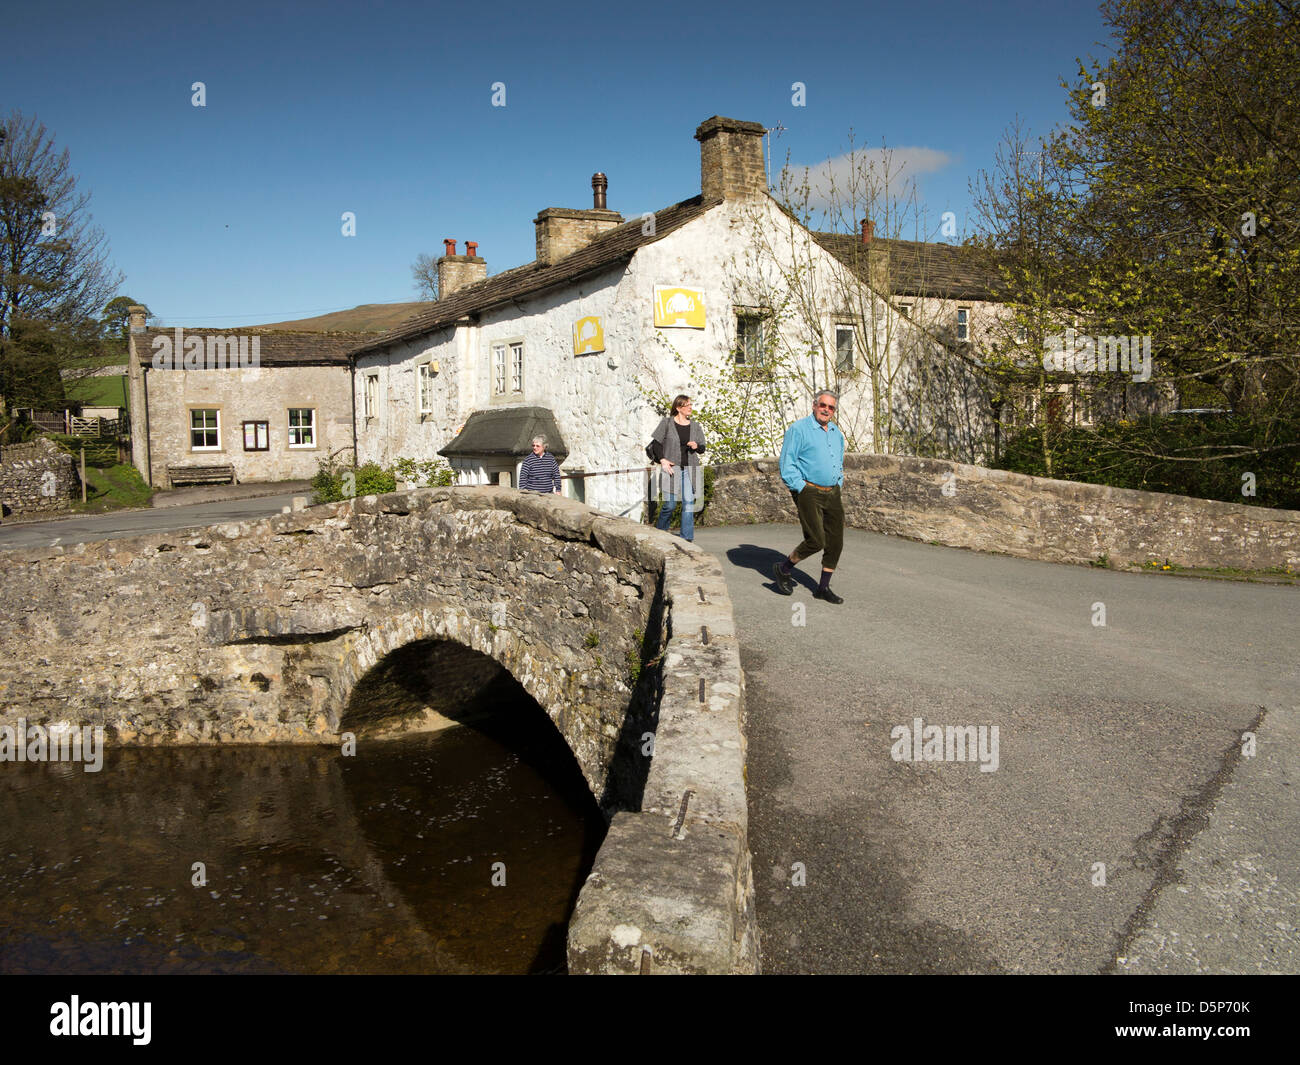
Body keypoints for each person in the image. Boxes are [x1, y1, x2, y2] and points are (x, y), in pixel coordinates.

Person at [772, 390, 846, 603]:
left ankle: (822, 588)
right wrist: (800, 487)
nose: (826, 410)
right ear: (814, 405)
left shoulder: (835, 432)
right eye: (823, 405)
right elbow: (787, 462)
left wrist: (838, 482)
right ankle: (784, 568)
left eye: (831, 407)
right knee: (816, 540)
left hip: (832, 491)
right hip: (809, 491)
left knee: (835, 541)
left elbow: (838, 462)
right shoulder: (799, 429)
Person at [649, 394, 706, 541]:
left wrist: (696, 446)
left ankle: (686, 539)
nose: (690, 408)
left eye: (691, 405)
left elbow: (702, 448)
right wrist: (663, 460)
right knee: (670, 504)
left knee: (688, 503)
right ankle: (660, 533)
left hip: (689, 469)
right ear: (678, 408)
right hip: (671, 469)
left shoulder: (695, 426)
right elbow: (656, 444)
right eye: (687, 405)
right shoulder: (667, 423)